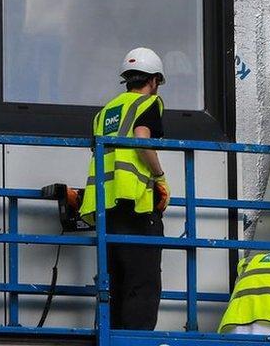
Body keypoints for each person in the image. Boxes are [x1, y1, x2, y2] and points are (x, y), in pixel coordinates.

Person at [79, 47, 171, 330]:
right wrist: (160, 177)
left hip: (106, 207)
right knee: (142, 283)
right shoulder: (148, 104)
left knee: (113, 282)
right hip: (136, 204)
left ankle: (113, 337)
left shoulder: (106, 111)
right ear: (154, 80)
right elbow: (141, 138)